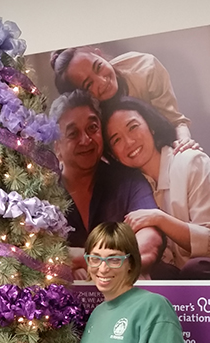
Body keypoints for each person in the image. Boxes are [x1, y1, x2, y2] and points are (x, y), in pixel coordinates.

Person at [103, 96, 210, 280]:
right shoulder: (132, 189)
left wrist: (159, 219)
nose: (129, 142)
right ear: (113, 155)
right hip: (182, 282)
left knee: (195, 269)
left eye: (133, 127)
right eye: (116, 140)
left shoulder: (191, 162)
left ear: (152, 126)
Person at [49, 90, 163, 278]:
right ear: (57, 147)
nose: (86, 140)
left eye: (92, 128)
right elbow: (34, 254)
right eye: (73, 133)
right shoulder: (40, 194)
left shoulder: (128, 180)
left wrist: (83, 260)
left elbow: (149, 241)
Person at [50, 47, 197, 152]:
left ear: (98, 54)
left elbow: (175, 121)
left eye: (98, 66)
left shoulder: (146, 69)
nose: (102, 81)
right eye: (89, 85)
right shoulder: (87, 114)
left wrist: (185, 144)